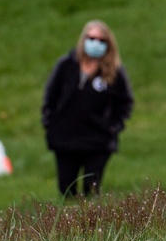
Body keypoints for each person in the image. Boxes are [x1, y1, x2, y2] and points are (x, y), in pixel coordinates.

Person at [41, 20, 134, 198]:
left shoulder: (114, 71)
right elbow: (51, 95)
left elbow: (125, 103)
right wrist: (50, 123)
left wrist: (113, 127)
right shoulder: (67, 65)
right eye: (91, 38)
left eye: (101, 40)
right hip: (65, 139)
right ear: (83, 39)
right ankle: (69, 224)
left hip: (97, 140)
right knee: (66, 189)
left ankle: (91, 223)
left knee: (91, 189)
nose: (95, 43)